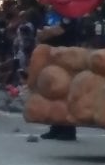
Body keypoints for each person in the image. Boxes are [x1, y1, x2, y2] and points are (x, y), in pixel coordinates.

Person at [36, 10, 85, 140]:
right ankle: (55, 126)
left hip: (66, 57)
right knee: (53, 92)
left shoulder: (69, 12)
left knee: (65, 93)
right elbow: (43, 30)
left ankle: (68, 129)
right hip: (52, 55)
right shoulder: (51, 12)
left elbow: (60, 30)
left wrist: (45, 33)